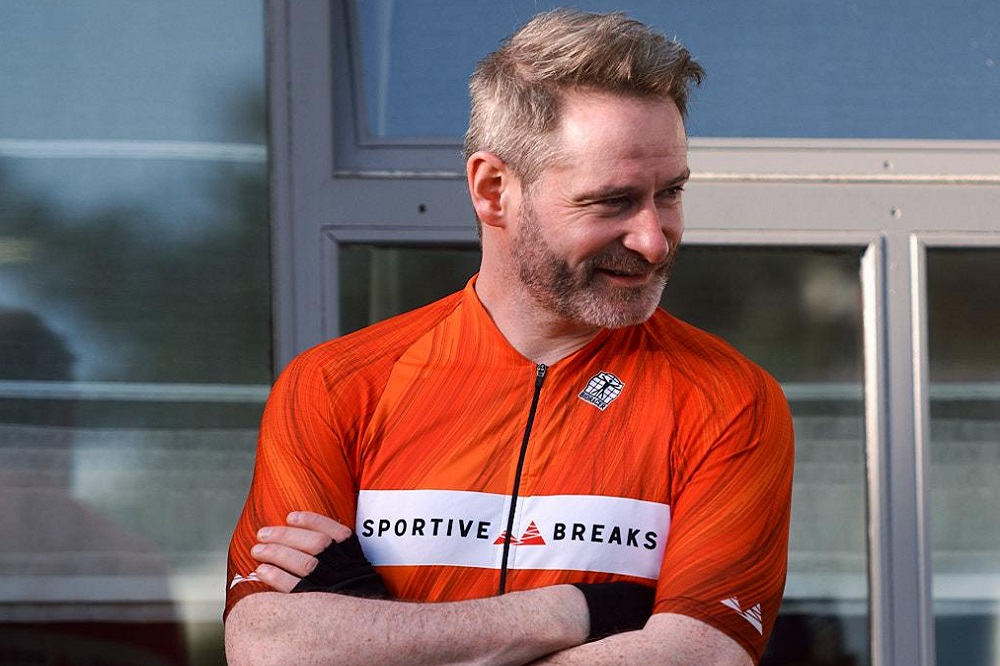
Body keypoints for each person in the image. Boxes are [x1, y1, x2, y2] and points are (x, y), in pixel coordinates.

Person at [224, 8, 793, 666]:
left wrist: (371, 633)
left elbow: (698, 659)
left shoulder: (729, 400)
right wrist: (575, 609)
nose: (653, 239)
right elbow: (269, 647)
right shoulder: (336, 387)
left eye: (669, 194)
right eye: (611, 201)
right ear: (493, 190)